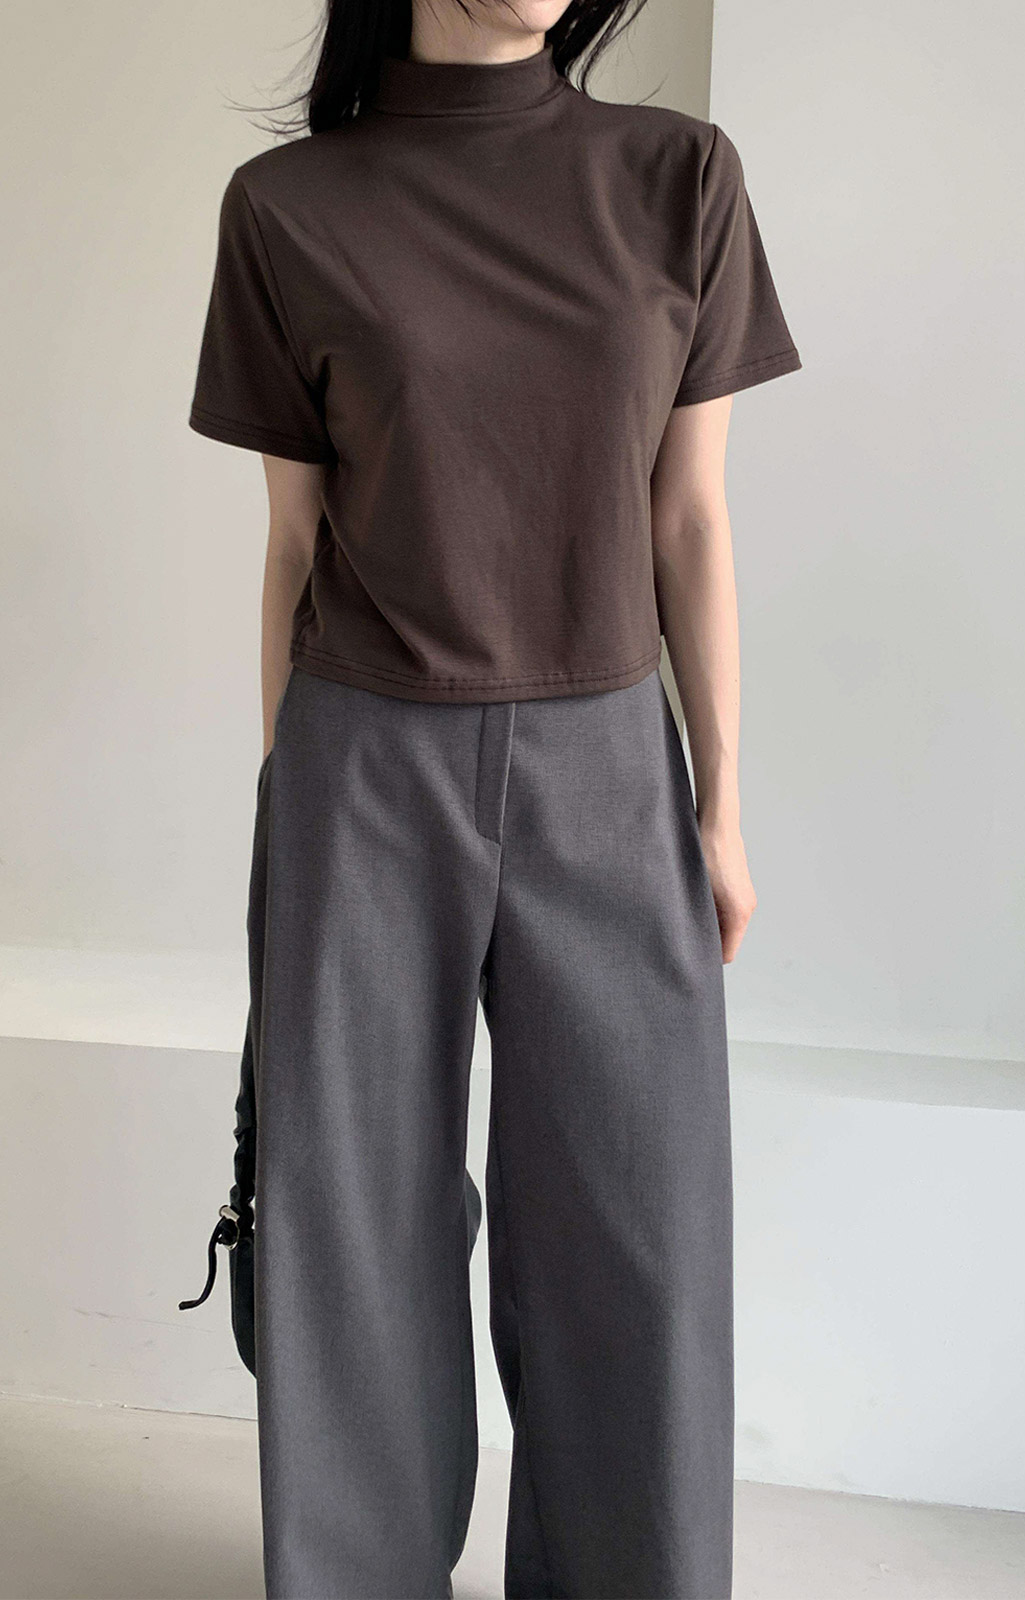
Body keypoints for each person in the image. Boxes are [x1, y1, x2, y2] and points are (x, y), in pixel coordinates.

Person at [185, 1, 801, 1595]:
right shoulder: (288, 210)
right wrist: (293, 805)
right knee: (355, 1224)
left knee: (637, 1226)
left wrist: (722, 805)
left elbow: (691, 519)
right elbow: (292, 544)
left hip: (611, 766)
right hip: (361, 764)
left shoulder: (678, 178)